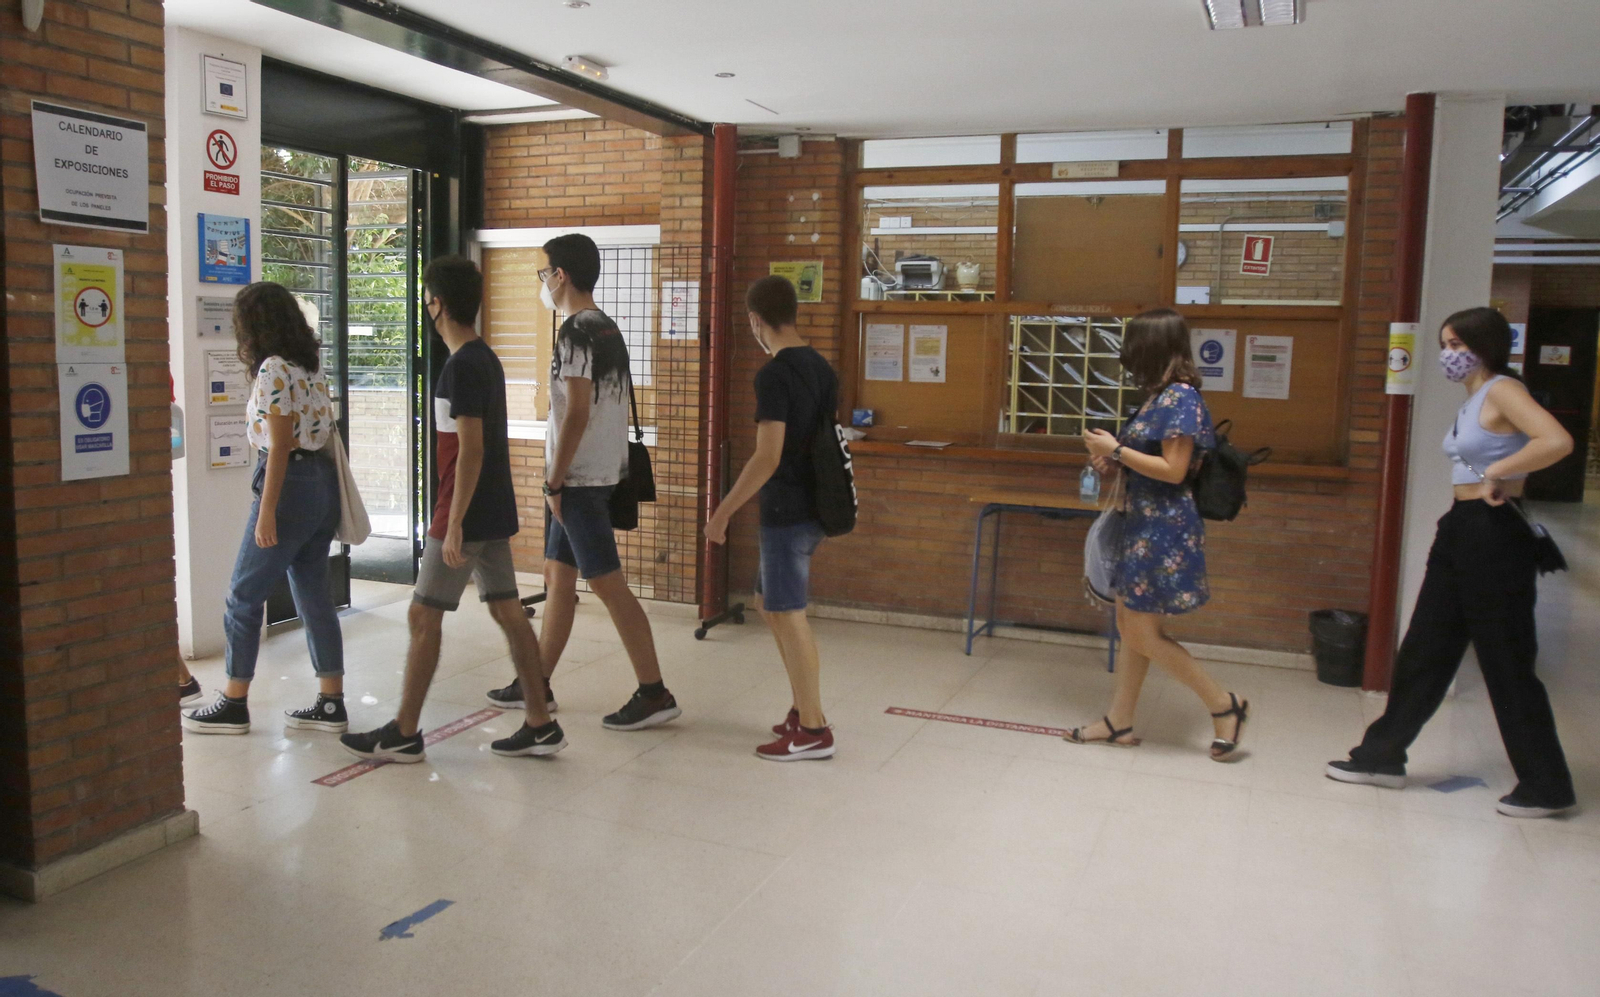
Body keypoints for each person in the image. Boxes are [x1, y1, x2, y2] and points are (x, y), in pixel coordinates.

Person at [1328, 307, 1576, 818]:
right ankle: (1381, 755)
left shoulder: (1504, 389)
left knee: (1506, 659)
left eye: (1459, 345)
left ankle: (1546, 784)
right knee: (1425, 647)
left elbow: (1557, 441)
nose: (1450, 355)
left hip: (1493, 533)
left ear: (1485, 347)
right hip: (1461, 529)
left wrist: (1501, 471)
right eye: (1446, 344)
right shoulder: (1474, 398)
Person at [341, 256, 564, 762]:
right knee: (509, 611)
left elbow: (471, 449)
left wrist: (456, 520)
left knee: (423, 614)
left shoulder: (461, 366)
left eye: (426, 296)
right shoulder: (484, 358)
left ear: (436, 303)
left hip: (462, 510)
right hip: (491, 508)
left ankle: (404, 731)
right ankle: (540, 722)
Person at [484, 234, 680, 732]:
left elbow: (574, 411)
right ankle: (537, 684)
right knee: (560, 579)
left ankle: (654, 692)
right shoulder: (607, 328)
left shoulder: (574, 332)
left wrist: (554, 480)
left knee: (608, 585)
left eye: (543, 272)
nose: (542, 282)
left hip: (579, 483)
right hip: (599, 474)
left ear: (561, 275)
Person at [1065, 308, 1249, 760]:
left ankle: (1224, 705)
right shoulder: (1158, 396)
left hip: (1163, 528)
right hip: (1141, 524)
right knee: (1131, 627)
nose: (1128, 359)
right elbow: (1145, 459)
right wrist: (1113, 459)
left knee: (1143, 633)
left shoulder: (1181, 398)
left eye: (1133, 349)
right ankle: (1119, 720)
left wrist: (1117, 449)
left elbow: (1174, 470)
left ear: (1151, 348)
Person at [182, 282, 345, 735]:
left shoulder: (273, 368)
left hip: (288, 485)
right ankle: (332, 701)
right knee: (314, 596)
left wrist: (268, 510)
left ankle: (234, 701)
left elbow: (279, 446)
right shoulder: (308, 365)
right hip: (320, 485)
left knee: (242, 595)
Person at [705, 276, 838, 761]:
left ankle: (814, 729)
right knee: (768, 603)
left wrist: (721, 513)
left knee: (789, 612)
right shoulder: (822, 368)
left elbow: (767, 456)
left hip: (787, 512)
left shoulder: (774, 374)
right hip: (817, 509)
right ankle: (804, 709)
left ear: (756, 320)